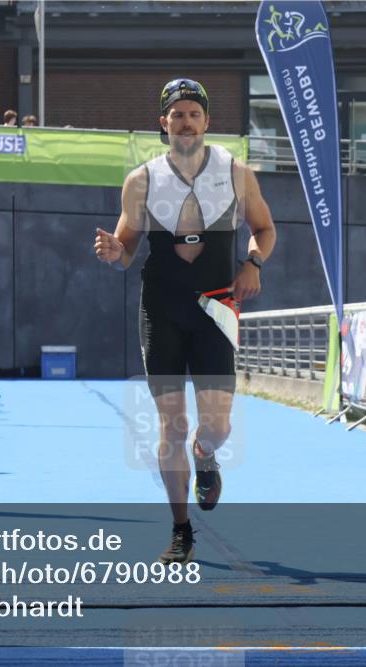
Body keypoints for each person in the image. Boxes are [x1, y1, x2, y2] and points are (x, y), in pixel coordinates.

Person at [93, 78, 276, 564]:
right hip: (162, 309)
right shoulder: (142, 179)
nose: (186, 122)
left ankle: (206, 455)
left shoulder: (237, 173)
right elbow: (125, 249)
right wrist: (114, 251)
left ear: (207, 121)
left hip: (216, 309)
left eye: (194, 113)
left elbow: (264, 229)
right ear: (164, 123)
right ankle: (181, 530)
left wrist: (252, 264)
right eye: (177, 115)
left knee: (216, 427)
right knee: (170, 426)